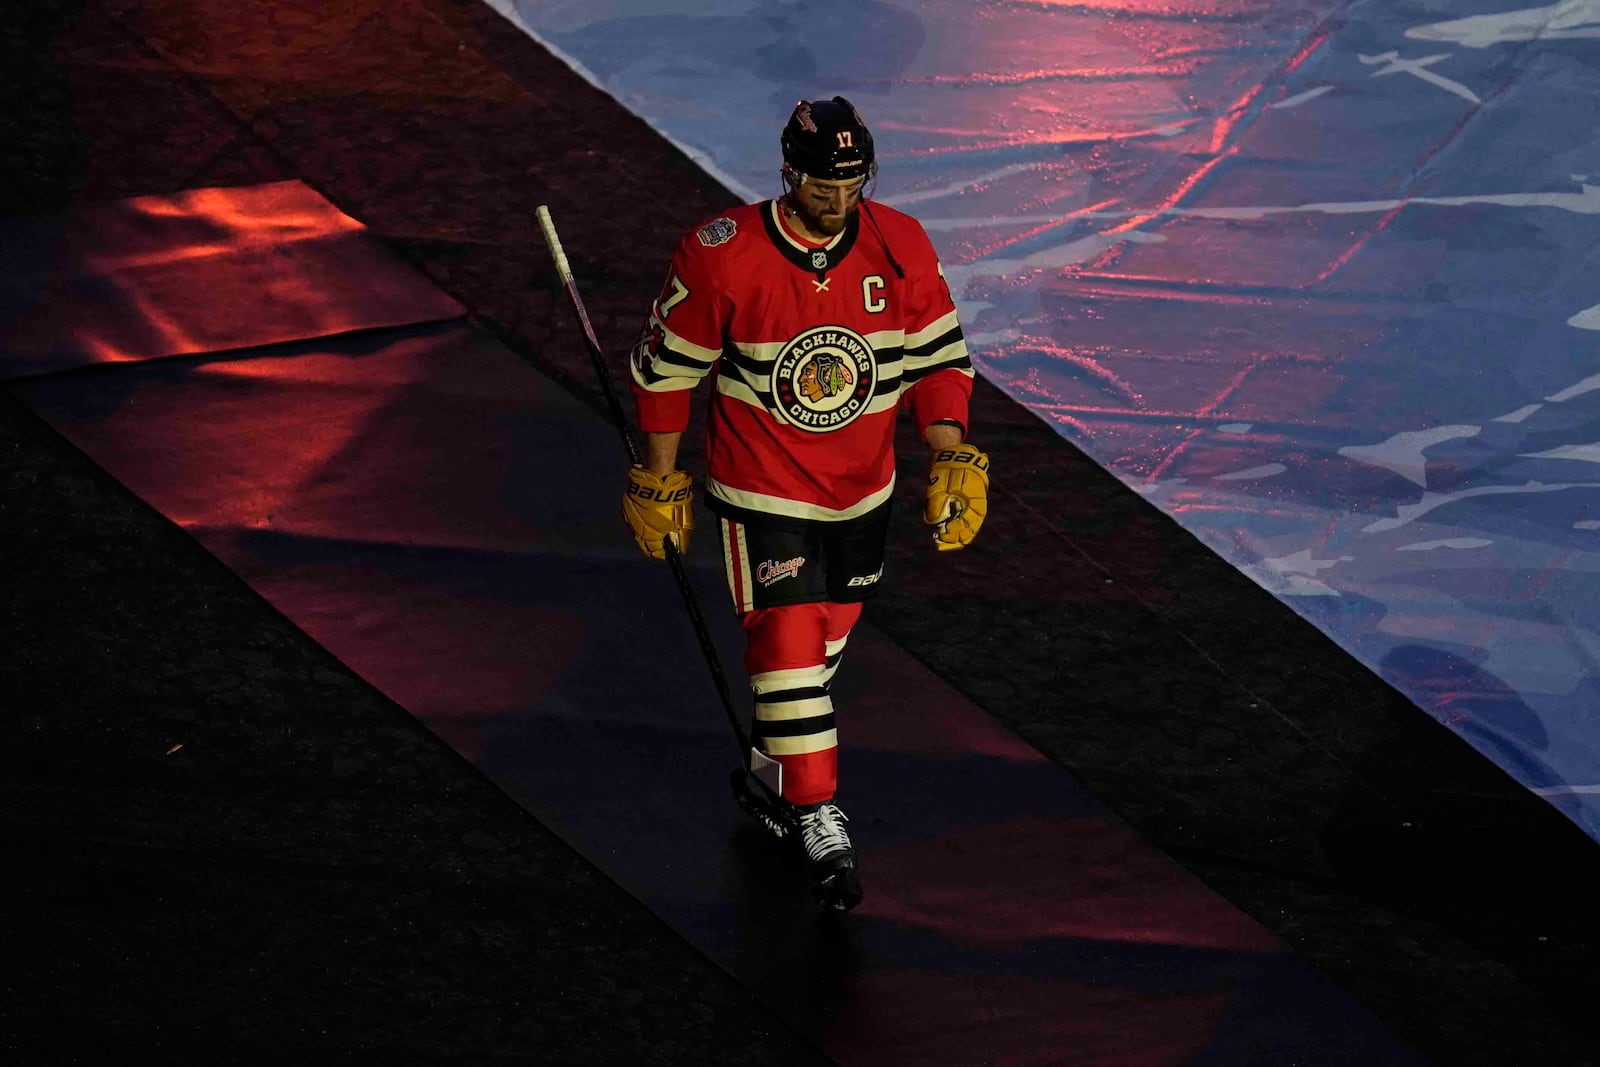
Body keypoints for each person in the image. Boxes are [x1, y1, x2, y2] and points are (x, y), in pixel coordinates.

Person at [621, 96, 989, 912]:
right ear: (789, 170)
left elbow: (940, 359)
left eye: (853, 180)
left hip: (864, 494)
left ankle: (771, 776)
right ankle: (817, 810)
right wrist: (659, 474)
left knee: (818, 657)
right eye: (824, 182)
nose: (838, 198)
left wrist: (950, 447)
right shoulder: (722, 255)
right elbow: (667, 371)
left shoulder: (902, 243)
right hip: (763, 492)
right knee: (788, 655)